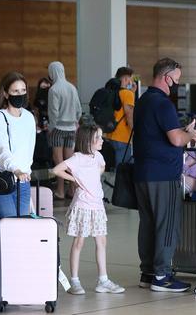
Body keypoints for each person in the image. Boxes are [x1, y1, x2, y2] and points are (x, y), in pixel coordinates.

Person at [133, 58, 196, 292]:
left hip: (142, 173)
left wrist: (184, 132)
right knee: (167, 224)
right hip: (163, 175)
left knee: (148, 224)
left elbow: (157, 135)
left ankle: (148, 273)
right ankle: (162, 276)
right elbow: (175, 140)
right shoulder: (164, 104)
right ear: (166, 77)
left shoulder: (143, 101)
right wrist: (189, 135)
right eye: (176, 79)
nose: (177, 84)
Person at [52, 124, 125, 295]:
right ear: (88, 140)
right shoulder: (76, 158)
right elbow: (57, 169)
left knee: (102, 242)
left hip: (97, 206)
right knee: (79, 242)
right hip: (83, 206)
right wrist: (75, 179)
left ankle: (103, 280)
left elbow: (102, 167)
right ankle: (75, 281)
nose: (101, 140)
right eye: (98, 137)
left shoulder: (98, 156)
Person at [0, 72, 36, 218]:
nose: (20, 94)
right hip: (1, 179)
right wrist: (16, 169)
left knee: (23, 223)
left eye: (23, 90)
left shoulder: (29, 117)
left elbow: (29, 149)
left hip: (23, 181)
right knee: (9, 221)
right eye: (15, 91)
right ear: (6, 94)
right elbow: (2, 150)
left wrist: (25, 171)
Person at [47, 61, 82, 199]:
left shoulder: (54, 89)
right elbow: (79, 110)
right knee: (70, 162)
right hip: (71, 129)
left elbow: (53, 113)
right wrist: (75, 122)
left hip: (58, 129)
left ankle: (60, 191)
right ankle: (73, 190)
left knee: (59, 162)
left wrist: (51, 128)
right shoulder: (72, 87)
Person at [107, 67, 136, 168]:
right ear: (125, 79)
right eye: (130, 78)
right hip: (122, 137)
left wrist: (132, 92)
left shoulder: (110, 91)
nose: (131, 81)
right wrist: (135, 132)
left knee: (113, 167)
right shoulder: (127, 94)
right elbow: (129, 115)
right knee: (122, 170)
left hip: (109, 135)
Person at [33, 77, 52, 168]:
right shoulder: (38, 98)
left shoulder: (52, 97)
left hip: (51, 125)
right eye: (42, 87)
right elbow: (36, 110)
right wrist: (37, 124)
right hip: (40, 125)